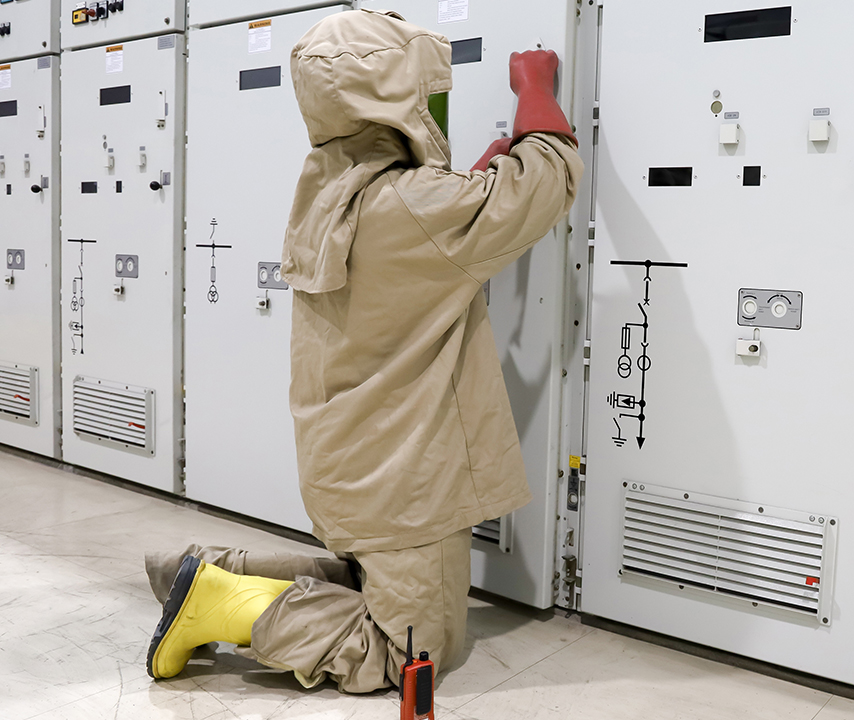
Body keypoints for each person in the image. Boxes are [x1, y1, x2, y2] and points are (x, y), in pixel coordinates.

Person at [143, 9, 582, 692]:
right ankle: (220, 605)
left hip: (353, 469)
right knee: (406, 651)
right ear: (400, 101)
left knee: (361, 578)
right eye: (428, 94)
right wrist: (535, 86)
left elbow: (410, 247)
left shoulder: (326, 187)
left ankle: (197, 568)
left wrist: (464, 191)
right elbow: (549, 177)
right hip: (406, 482)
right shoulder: (417, 205)